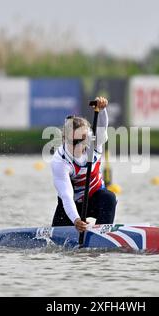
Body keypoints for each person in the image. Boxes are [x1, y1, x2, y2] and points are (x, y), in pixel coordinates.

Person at [51, 97, 117, 233]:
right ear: (64, 139)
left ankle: (102, 235)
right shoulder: (60, 161)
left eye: (83, 139)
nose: (80, 145)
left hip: (96, 198)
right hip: (71, 205)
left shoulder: (94, 142)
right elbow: (67, 196)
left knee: (109, 197)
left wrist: (103, 109)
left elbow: (102, 127)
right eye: (75, 141)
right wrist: (76, 220)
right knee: (58, 247)